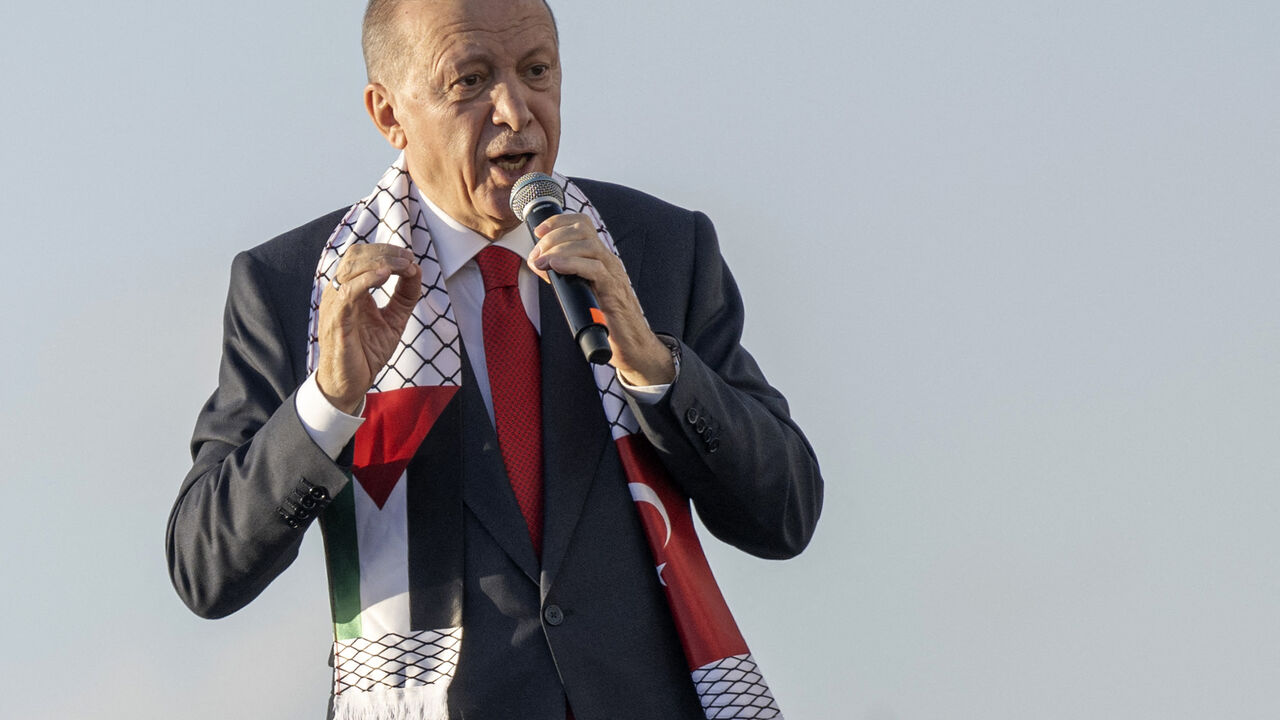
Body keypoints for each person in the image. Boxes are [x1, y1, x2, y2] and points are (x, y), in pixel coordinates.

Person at [165, 0, 823, 718]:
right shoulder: (297, 285)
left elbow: (784, 513)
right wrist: (328, 401)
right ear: (389, 115)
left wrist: (655, 367)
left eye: (536, 70)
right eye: (470, 80)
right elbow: (206, 567)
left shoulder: (656, 249)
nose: (516, 109)